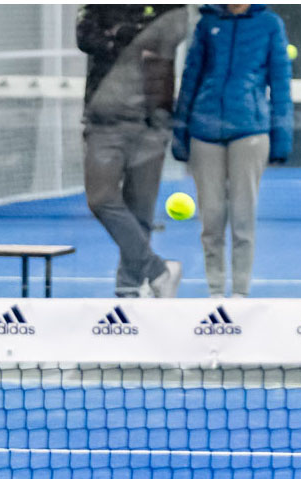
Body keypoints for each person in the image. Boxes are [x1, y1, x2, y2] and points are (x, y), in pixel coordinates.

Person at [172, 4, 293, 298]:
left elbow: (280, 84)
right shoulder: (206, 23)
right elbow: (190, 77)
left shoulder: (270, 24)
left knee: (243, 218)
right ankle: (215, 291)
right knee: (210, 218)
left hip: (250, 133)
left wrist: (281, 138)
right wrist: (180, 131)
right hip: (204, 133)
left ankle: (240, 293)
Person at [77, 5, 188, 298]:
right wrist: (131, 36)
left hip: (152, 122)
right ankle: (158, 270)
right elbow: (85, 37)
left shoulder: (170, 7)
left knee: (140, 212)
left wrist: (119, 36)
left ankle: (128, 289)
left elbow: (170, 35)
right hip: (104, 121)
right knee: (100, 199)